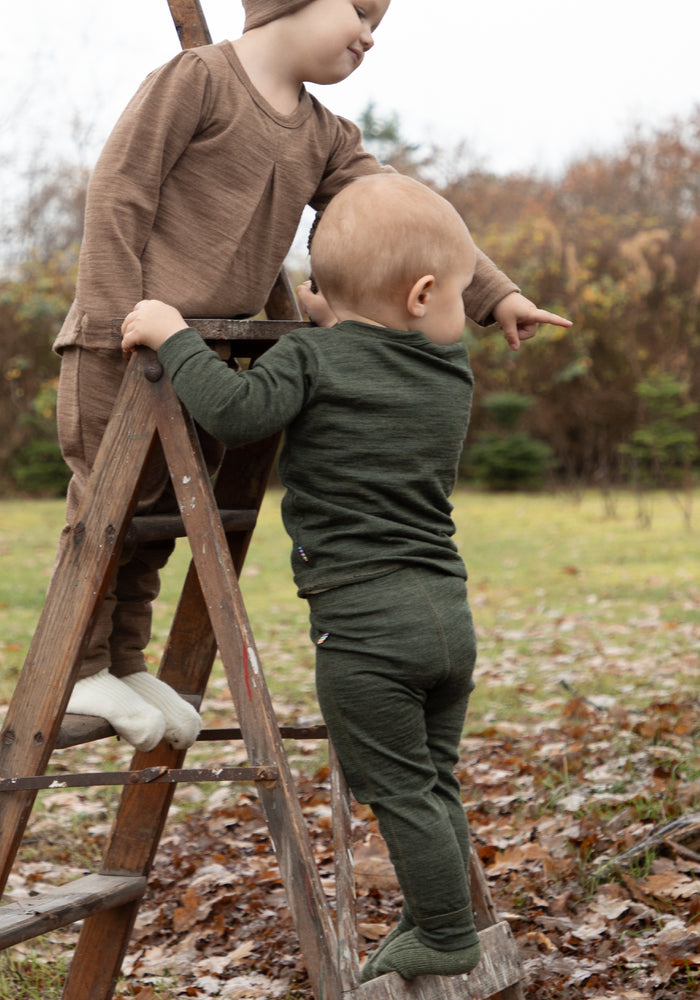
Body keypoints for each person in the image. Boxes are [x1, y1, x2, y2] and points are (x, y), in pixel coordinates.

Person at [57, 0, 570, 752]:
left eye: (379, 24)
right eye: (360, 10)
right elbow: (120, 190)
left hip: (216, 358)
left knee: (160, 521)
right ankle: (82, 665)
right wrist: (114, 320)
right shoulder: (196, 80)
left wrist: (497, 295)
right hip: (128, 344)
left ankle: (125, 662)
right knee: (108, 511)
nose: (369, 34)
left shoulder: (326, 135)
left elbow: (410, 222)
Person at [120, 173, 570, 981]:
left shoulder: (310, 359)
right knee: (432, 782)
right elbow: (378, 349)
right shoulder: (448, 374)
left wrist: (171, 333)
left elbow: (235, 409)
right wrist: (349, 318)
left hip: (366, 634)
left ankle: (442, 930)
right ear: (424, 296)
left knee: (397, 789)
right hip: (444, 618)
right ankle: (439, 911)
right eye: (464, 293)